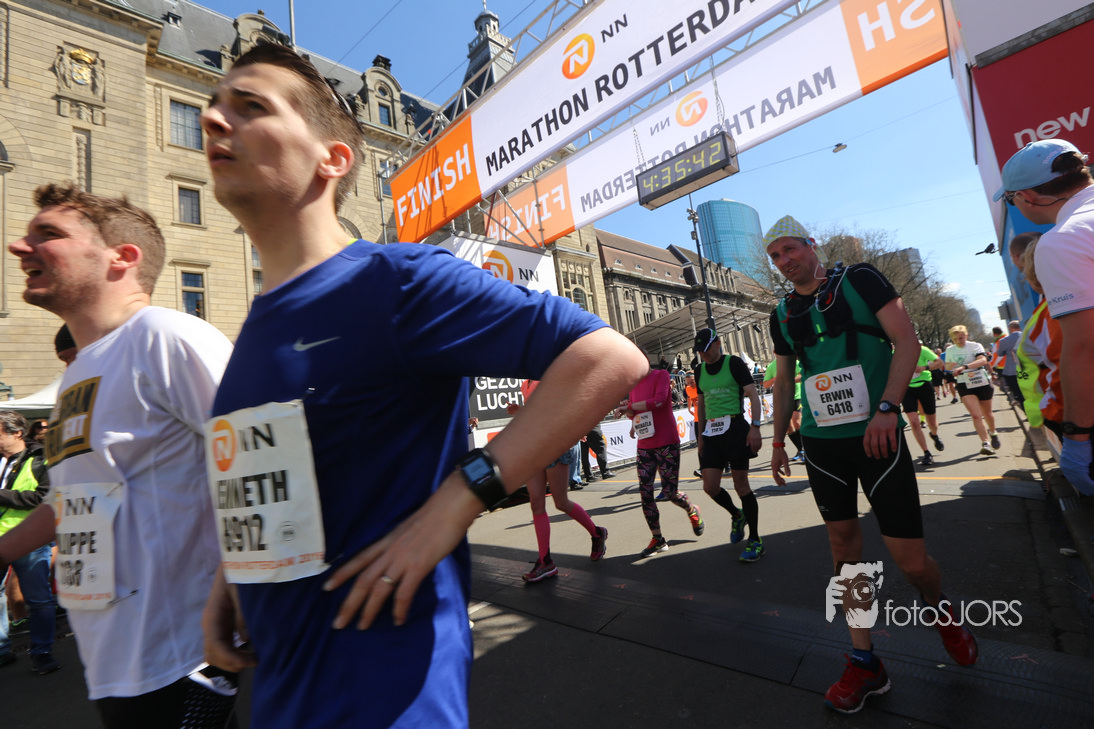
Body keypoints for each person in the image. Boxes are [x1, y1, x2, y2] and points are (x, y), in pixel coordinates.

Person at [198, 44, 647, 729]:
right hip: (282, 695)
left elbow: (608, 358)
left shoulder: (397, 282)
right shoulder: (261, 322)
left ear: (332, 159)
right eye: (212, 104)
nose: (213, 118)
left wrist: (460, 499)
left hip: (387, 697)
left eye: (251, 106)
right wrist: (231, 576)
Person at [1, 184, 235, 727]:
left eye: (49, 234)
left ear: (121, 257)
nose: (18, 246)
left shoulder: (167, 336)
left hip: (185, 653)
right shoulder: (77, 375)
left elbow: (257, 465)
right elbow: (70, 501)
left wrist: (239, 599)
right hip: (112, 657)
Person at [764, 216, 977, 714]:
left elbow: (906, 341)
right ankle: (865, 662)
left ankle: (940, 610)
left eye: (790, 248)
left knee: (912, 563)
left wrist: (887, 408)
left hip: (878, 436)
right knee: (844, 549)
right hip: (822, 445)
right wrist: (776, 441)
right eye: (774, 255)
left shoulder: (860, 278)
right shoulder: (781, 313)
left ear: (811, 245)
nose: (784, 260)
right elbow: (784, 381)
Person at [996, 139, 1094, 494]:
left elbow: (1083, 347)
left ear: (1027, 197)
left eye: (1011, 199)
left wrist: (1078, 437)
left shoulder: (1062, 240)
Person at [507, 380, 608, 581]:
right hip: (534, 447)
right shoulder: (525, 384)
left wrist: (521, 413)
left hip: (556, 444)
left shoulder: (550, 377)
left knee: (561, 502)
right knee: (536, 503)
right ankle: (546, 562)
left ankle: (597, 533)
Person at [693, 328, 765, 562]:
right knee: (710, 487)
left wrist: (755, 427)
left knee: (741, 486)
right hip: (711, 432)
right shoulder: (699, 370)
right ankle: (737, 515)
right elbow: (702, 405)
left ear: (717, 343)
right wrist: (700, 437)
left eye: (706, 349)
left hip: (735, 428)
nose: (703, 354)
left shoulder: (733, 363)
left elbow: (753, 395)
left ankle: (755, 540)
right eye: (700, 351)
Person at [621, 355, 704, 558]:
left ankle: (692, 509)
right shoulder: (632, 384)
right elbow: (634, 412)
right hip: (645, 446)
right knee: (645, 493)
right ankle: (657, 539)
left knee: (670, 492)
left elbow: (658, 402)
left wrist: (630, 407)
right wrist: (627, 413)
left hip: (666, 442)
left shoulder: (662, 375)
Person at [0, 410, 57, 675]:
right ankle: (2, 650)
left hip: (29, 539)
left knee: (39, 599)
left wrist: (2, 495)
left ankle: (42, 652)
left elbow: (42, 497)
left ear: (17, 433)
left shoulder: (41, 458)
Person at [944, 325, 1000, 456]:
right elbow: (947, 366)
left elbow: (983, 360)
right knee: (976, 415)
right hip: (964, 383)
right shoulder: (950, 350)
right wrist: (951, 366)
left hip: (981, 381)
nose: (958, 341)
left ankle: (993, 432)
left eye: (961, 338)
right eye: (955, 339)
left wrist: (964, 366)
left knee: (987, 413)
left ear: (966, 336)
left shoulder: (975, 346)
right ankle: (985, 443)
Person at [903, 344, 945, 466]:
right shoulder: (894, 353)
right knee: (914, 422)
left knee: (932, 423)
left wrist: (925, 367)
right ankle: (926, 452)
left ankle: (934, 435)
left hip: (924, 386)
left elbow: (940, 362)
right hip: (906, 388)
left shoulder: (921, 350)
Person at [762, 359, 804, 461]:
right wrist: (774, 379)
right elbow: (765, 384)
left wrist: (788, 380)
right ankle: (801, 450)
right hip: (782, 399)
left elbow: (802, 376)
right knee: (789, 427)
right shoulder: (771, 366)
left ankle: (804, 449)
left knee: (797, 422)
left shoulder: (794, 362)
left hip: (796, 396)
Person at [994, 321, 1024, 406]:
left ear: (1010, 329)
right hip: (1029, 368)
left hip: (1012, 371)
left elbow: (999, 353)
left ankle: (1023, 406)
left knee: (1018, 392)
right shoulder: (1027, 335)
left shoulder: (1004, 341)